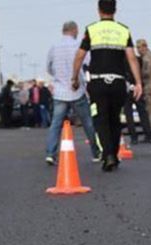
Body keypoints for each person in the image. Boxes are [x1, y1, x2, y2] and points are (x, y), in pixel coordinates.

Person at [73, 0, 142, 172]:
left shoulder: (91, 30)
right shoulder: (123, 30)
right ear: (115, 10)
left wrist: (74, 77)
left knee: (100, 119)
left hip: (98, 83)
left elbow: (80, 56)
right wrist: (138, 82)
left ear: (99, 10)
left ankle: (108, 155)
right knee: (115, 119)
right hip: (118, 82)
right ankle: (114, 154)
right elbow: (132, 58)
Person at [44, 20, 101, 165]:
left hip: (60, 92)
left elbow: (49, 68)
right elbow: (89, 63)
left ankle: (51, 153)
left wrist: (58, 77)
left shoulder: (53, 47)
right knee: (88, 122)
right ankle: (96, 152)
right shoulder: (78, 46)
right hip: (77, 90)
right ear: (74, 30)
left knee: (55, 124)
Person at [124, 53, 151, 145]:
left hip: (127, 88)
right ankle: (149, 135)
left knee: (129, 115)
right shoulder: (138, 59)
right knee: (143, 113)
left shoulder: (120, 60)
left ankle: (134, 137)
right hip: (138, 87)